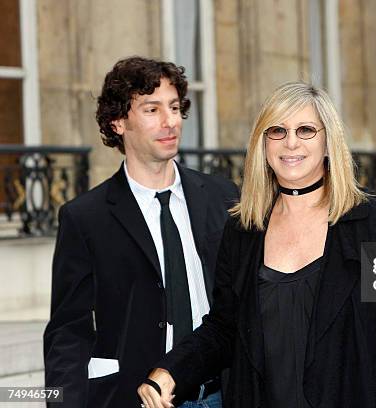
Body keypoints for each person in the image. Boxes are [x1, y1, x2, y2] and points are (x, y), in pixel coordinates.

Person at [137, 82, 376, 407]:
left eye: (306, 130)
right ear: (263, 144)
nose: (290, 143)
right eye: (277, 131)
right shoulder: (244, 230)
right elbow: (225, 328)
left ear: (329, 141)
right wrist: (172, 370)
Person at [43, 56, 238, 407]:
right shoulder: (85, 218)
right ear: (118, 121)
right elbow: (67, 333)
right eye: (152, 110)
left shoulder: (224, 198)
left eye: (175, 107)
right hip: (135, 398)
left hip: (223, 394)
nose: (170, 122)